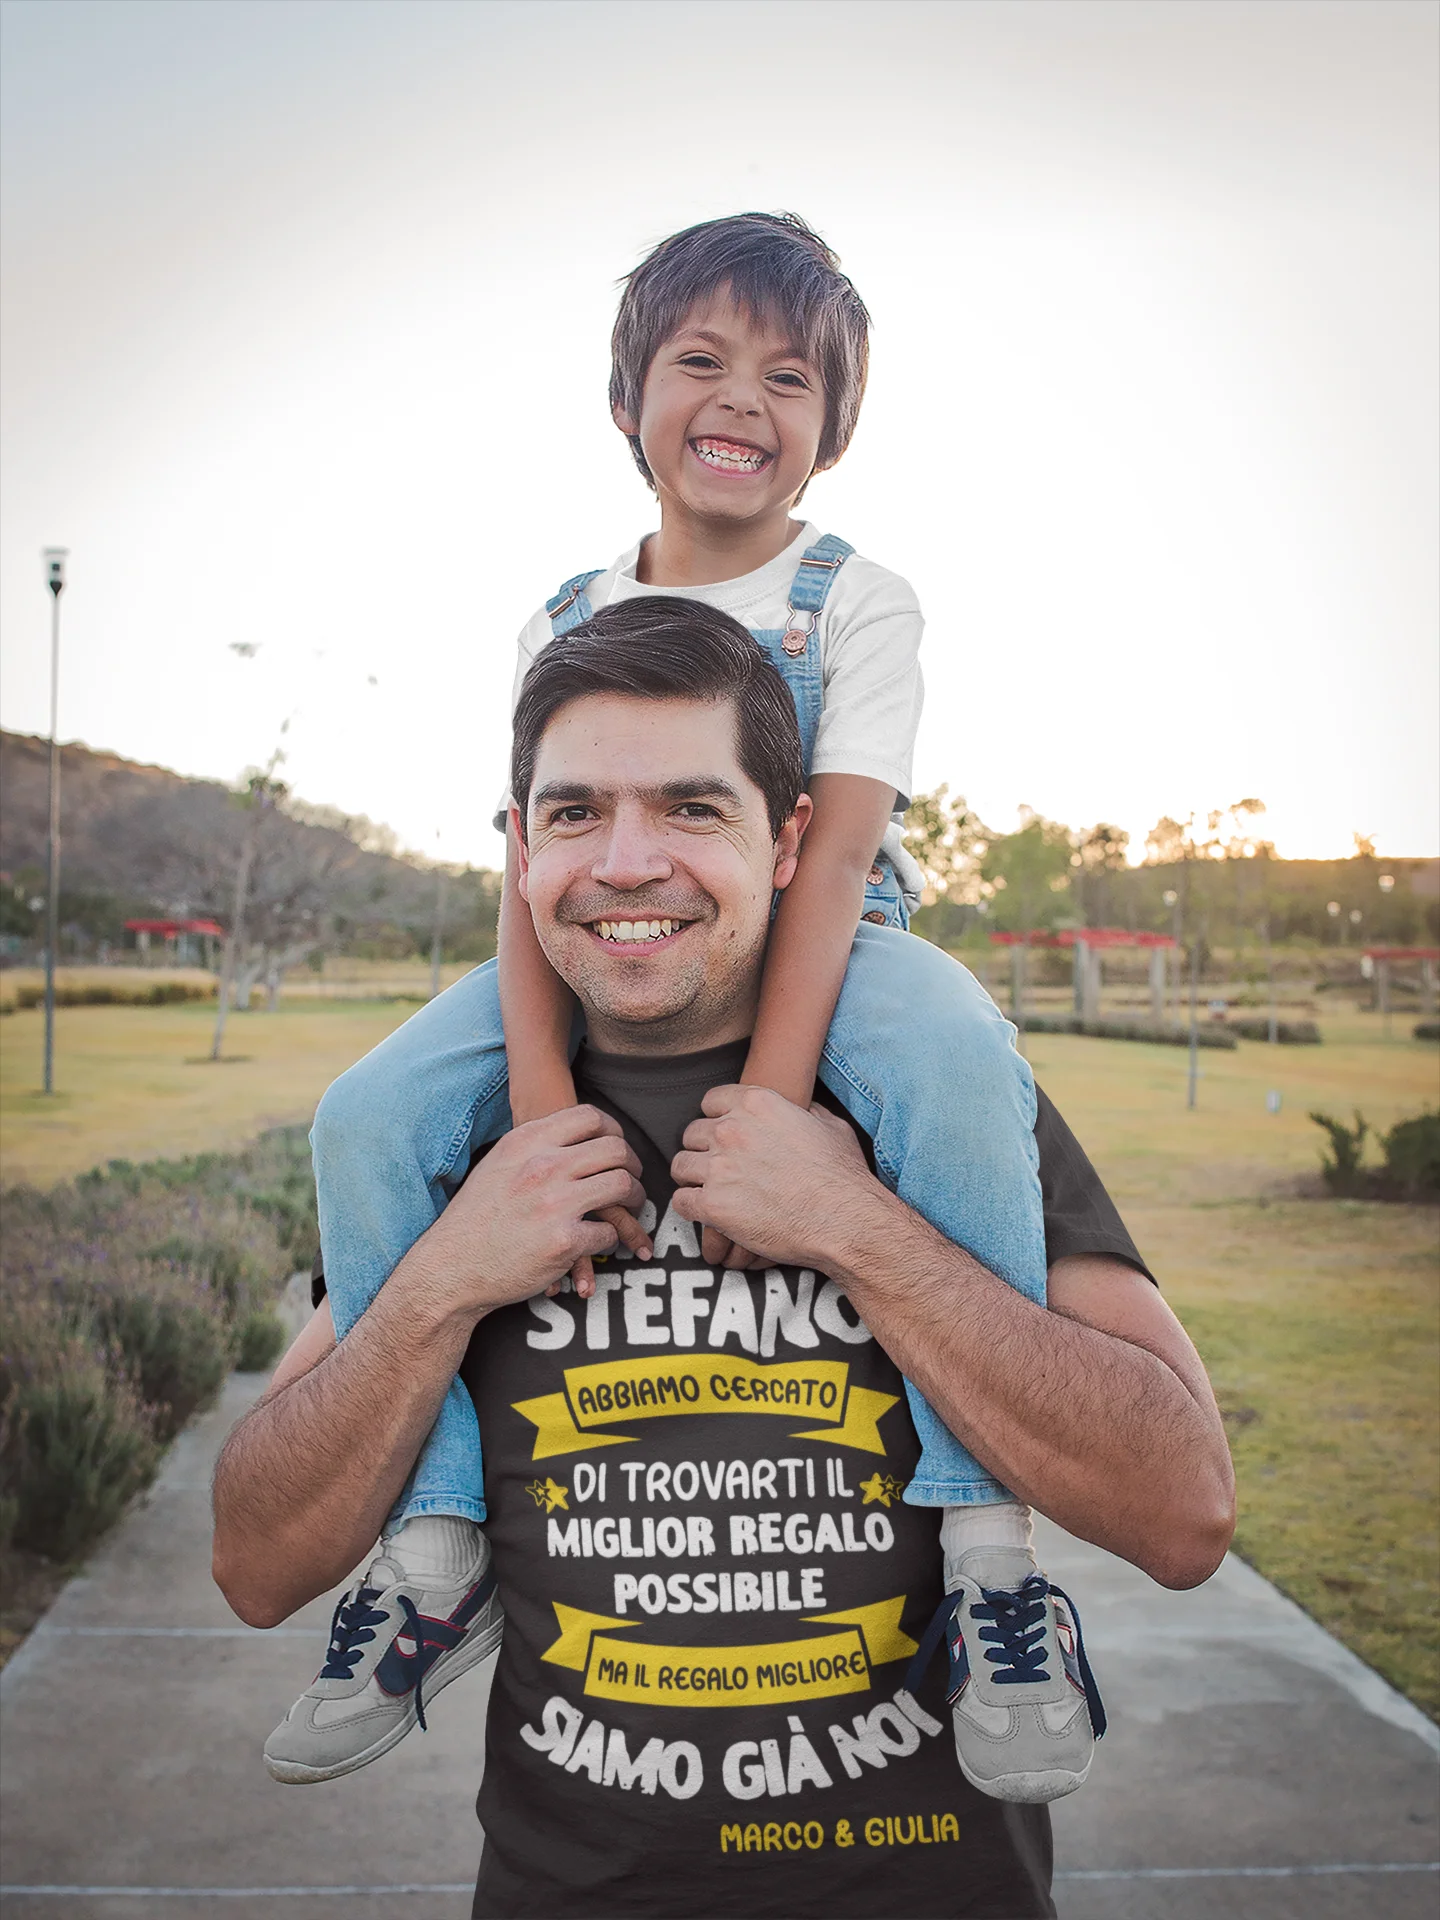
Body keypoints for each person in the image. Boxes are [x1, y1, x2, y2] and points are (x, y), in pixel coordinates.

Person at [265, 211, 1124, 1796]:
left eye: (789, 377)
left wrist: (775, 1115)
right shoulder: (563, 614)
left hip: (830, 929)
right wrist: (540, 1115)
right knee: (368, 1109)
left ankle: (995, 1560)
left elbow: (840, 846)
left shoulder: (861, 601)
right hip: (606, 931)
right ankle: (437, 1541)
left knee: (944, 1043)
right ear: (627, 402)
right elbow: (534, 852)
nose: (743, 397)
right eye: (701, 360)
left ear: (832, 431)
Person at [213, 607, 1235, 1919]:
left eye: (693, 809)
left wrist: (861, 1229)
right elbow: (256, 1562)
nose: (628, 864)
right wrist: (447, 1279)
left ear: (793, 839)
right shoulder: (457, 1138)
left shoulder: (935, 1101)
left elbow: (1184, 1514)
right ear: (521, 846)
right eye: (575, 813)